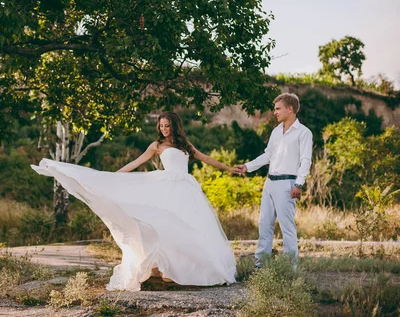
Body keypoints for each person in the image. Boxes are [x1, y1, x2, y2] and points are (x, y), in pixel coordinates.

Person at [31, 112, 239, 291]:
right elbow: (137, 162)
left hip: (187, 188)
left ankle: (185, 267)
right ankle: (163, 267)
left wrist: (229, 168)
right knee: (165, 224)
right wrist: (114, 176)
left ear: (175, 126)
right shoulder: (157, 145)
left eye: (167, 126)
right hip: (168, 185)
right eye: (161, 126)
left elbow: (206, 159)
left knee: (189, 225)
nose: (164, 129)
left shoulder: (185, 144)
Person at [235, 93, 313, 268]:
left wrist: (299, 183)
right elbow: (268, 155)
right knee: (264, 225)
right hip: (269, 183)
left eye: (278, 108)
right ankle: (260, 265)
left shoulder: (303, 132)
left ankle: (289, 268)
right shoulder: (276, 131)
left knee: (287, 228)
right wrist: (247, 166)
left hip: (288, 184)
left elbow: (306, 160)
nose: (275, 112)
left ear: (290, 109)